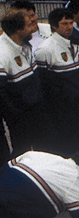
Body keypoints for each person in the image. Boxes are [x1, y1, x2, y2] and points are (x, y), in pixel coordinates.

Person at [35, 8, 79, 156]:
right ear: (54, 27)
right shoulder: (45, 50)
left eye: (71, 23)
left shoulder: (75, 44)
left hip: (77, 108)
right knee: (65, 149)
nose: (69, 27)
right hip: (59, 112)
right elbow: (43, 85)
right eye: (64, 24)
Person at [0, 9, 48, 157]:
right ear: (18, 30)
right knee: (23, 152)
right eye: (29, 25)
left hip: (36, 111)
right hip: (20, 119)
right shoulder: (3, 54)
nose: (33, 28)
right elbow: (1, 94)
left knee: (42, 150)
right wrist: (16, 116)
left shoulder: (26, 46)